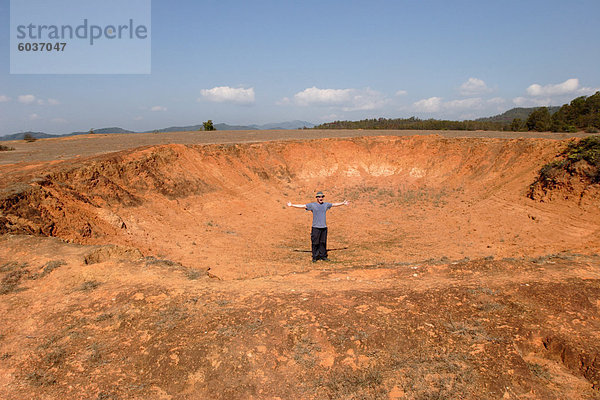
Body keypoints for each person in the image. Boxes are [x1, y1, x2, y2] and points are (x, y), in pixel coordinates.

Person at [287, 191, 349, 262]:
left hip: (324, 227)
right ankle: (315, 257)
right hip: (316, 227)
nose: (321, 198)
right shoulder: (313, 205)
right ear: (316, 198)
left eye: (322, 197)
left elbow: (334, 204)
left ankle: (323, 256)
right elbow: (303, 206)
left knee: (323, 242)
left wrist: (343, 203)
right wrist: (292, 205)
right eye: (319, 197)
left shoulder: (326, 205)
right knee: (315, 243)